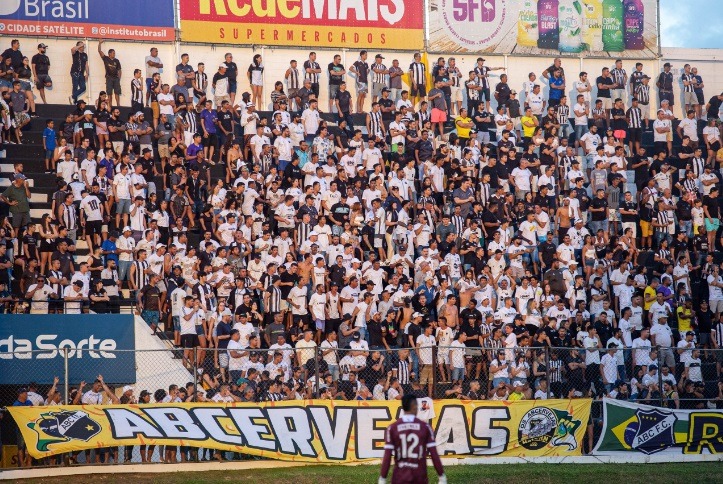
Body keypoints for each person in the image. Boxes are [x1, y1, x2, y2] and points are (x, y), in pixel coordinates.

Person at [378, 394, 447, 484]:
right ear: (414, 406)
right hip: (419, 477)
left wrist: (382, 478)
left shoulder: (392, 428)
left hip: (399, 477)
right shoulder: (425, 427)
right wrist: (441, 476)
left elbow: (387, 456)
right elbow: (434, 454)